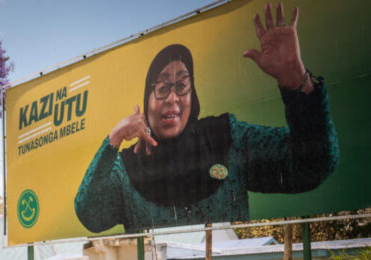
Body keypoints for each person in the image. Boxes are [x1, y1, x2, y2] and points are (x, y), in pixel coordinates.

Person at [74, 3, 339, 233]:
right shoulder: (128, 166)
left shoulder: (227, 138)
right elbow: (90, 215)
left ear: (193, 95)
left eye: (182, 85)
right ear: (147, 100)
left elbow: (314, 164)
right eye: (162, 87)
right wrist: (115, 138)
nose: (172, 98)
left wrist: (297, 82)